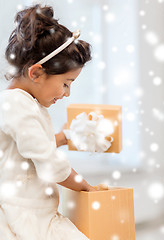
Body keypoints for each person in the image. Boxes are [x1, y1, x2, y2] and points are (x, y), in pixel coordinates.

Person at [0, 4, 98, 240]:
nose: (67, 94)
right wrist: (87, 188)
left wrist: (62, 138)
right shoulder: (16, 105)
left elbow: (28, 150)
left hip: (33, 211)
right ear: (36, 73)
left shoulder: (22, 103)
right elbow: (50, 163)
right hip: (24, 216)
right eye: (66, 83)